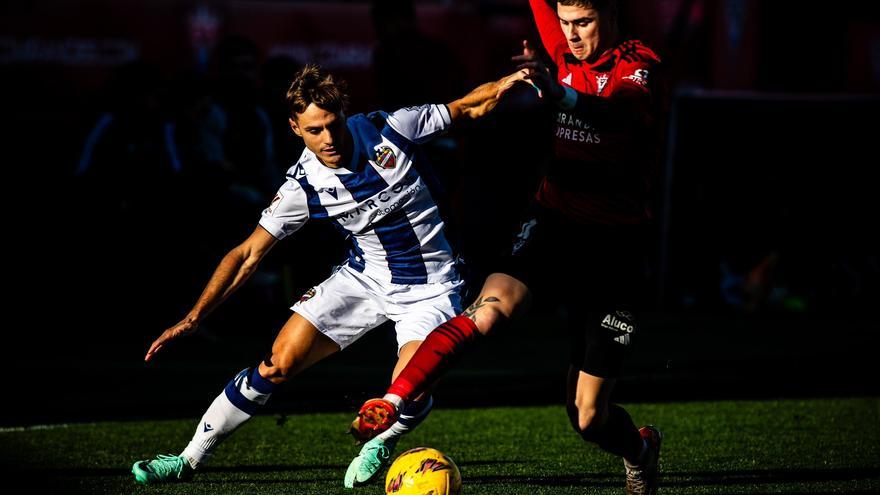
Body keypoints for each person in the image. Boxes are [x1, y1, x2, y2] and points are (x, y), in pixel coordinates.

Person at [131, 63, 528, 485]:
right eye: (314, 130)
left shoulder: (392, 129)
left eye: (333, 124)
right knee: (276, 364)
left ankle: (382, 439)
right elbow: (247, 254)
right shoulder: (303, 186)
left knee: (410, 385)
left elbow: (467, 107)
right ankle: (187, 459)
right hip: (363, 279)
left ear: (344, 114)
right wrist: (193, 318)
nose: (328, 138)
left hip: (433, 287)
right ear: (295, 128)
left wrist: (506, 83)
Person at [349, 1, 664, 494]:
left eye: (584, 23)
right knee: (488, 312)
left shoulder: (639, 63)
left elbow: (622, 115)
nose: (572, 35)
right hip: (555, 221)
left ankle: (641, 450)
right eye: (565, 24)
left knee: (587, 417)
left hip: (614, 248)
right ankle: (393, 398)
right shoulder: (564, 48)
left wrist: (560, 93)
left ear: (610, 14)